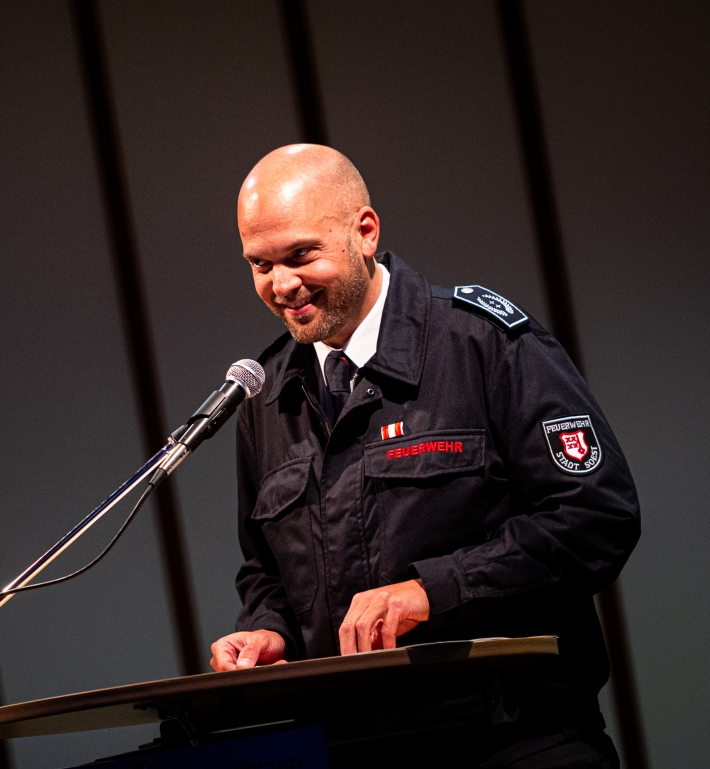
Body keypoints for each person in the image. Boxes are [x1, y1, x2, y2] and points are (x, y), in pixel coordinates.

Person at [208, 144, 640, 767]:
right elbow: (266, 571)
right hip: (356, 749)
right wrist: (268, 630)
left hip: (517, 740)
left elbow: (595, 517)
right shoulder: (263, 394)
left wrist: (432, 591)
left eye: (301, 255)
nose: (281, 285)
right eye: (260, 264)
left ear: (365, 232)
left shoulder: (480, 342)